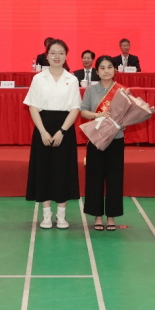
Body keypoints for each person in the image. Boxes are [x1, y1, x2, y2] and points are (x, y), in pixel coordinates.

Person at [24, 39, 81, 229]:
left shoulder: (72, 79)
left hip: (65, 129)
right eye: (53, 53)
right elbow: (32, 106)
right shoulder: (38, 78)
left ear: (66, 56)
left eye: (61, 53)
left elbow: (75, 108)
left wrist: (62, 131)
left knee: (63, 170)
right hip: (43, 127)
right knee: (44, 170)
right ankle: (46, 215)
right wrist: (42, 132)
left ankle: (61, 216)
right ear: (46, 56)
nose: (57, 56)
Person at [80, 55, 125, 231]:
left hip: (116, 138)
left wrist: (122, 121)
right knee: (95, 176)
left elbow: (127, 114)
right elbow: (83, 112)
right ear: (97, 71)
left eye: (109, 67)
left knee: (115, 177)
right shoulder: (91, 90)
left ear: (115, 70)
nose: (106, 71)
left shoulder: (122, 91)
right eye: (102, 68)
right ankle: (97, 215)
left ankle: (111, 216)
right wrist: (97, 115)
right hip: (96, 139)